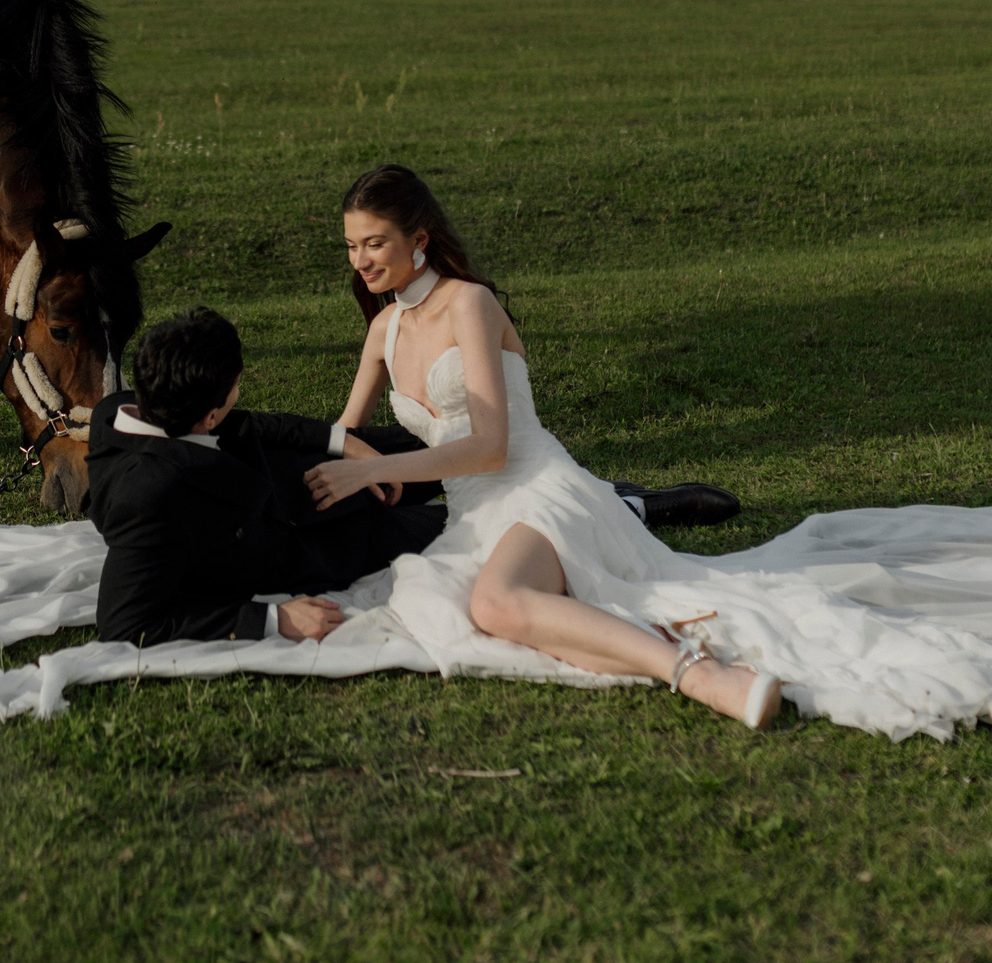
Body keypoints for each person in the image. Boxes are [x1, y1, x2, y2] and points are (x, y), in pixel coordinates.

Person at [304, 164, 787, 729]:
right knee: (451, 609)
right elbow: (344, 433)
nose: (360, 261)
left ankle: (703, 675)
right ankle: (650, 651)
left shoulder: (470, 305)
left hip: (536, 487)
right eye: (351, 246)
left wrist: (373, 470)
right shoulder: (381, 332)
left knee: (492, 604)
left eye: (374, 243)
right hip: (474, 514)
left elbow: (491, 448)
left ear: (419, 240)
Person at [85, 306, 447, 645]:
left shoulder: (124, 408)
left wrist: (344, 442)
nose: (239, 394)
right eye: (236, 388)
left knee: (454, 446)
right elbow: (123, 624)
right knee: (479, 517)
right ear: (209, 417)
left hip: (310, 460)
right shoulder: (146, 497)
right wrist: (272, 619)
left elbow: (248, 423)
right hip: (326, 539)